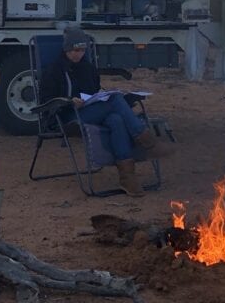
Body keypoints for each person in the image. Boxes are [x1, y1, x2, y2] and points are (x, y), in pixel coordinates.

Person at [39, 25, 170, 197]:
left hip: (89, 111)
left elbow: (93, 92)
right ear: (67, 49)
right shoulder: (53, 70)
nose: (78, 54)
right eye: (75, 50)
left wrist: (99, 97)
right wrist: (70, 101)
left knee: (116, 118)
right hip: (67, 116)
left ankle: (127, 177)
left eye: (82, 50)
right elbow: (45, 101)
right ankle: (147, 141)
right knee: (116, 100)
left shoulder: (88, 68)